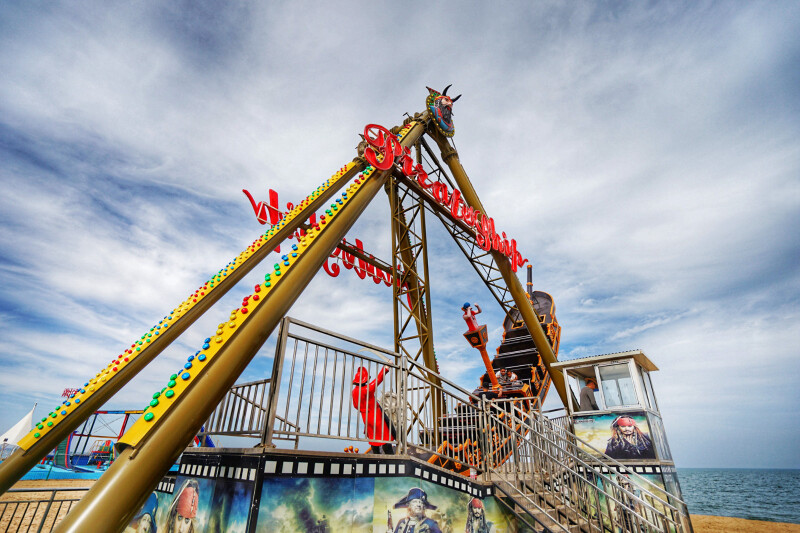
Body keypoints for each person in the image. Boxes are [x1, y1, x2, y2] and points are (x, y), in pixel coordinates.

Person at [352, 366, 395, 454]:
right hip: (376, 417)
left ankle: (376, 457)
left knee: (373, 438)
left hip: (366, 418)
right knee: (385, 437)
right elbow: (378, 380)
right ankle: (390, 457)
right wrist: (386, 368)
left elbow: (355, 406)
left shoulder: (354, 392)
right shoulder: (366, 389)